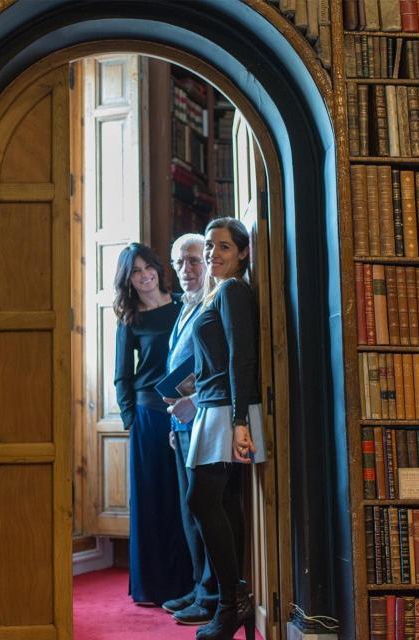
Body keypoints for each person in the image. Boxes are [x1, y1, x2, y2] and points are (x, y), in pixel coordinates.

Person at [187, 218, 259, 640]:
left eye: (225, 247)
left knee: (201, 501)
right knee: (226, 503)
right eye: (211, 247)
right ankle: (234, 603)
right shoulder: (217, 291)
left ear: (243, 253)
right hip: (213, 408)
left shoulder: (233, 290)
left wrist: (239, 421)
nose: (214, 254)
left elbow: (241, 357)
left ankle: (230, 604)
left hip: (225, 413)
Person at [113, 242, 193, 606]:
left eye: (148, 267)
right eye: (135, 271)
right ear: (127, 280)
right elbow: (121, 377)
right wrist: (131, 419)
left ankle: (185, 585)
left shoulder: (182, 305)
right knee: (150, 499)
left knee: (183, 498)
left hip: (187, 409)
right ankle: (152, 587)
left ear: (159, 269)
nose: (144, 275)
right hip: (147, 416)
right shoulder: (131, 320)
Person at [160, 234, 219, 626]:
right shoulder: (183, 307)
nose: (187, 269)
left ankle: (213, 595)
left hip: (206, 419)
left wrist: (192, 404)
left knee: (205, 511)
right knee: (188, 510)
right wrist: (174, 418)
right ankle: (199, 587)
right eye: (180, 263)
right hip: (180, 422)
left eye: (195, 260)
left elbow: (220, 365)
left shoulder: (215, 304)